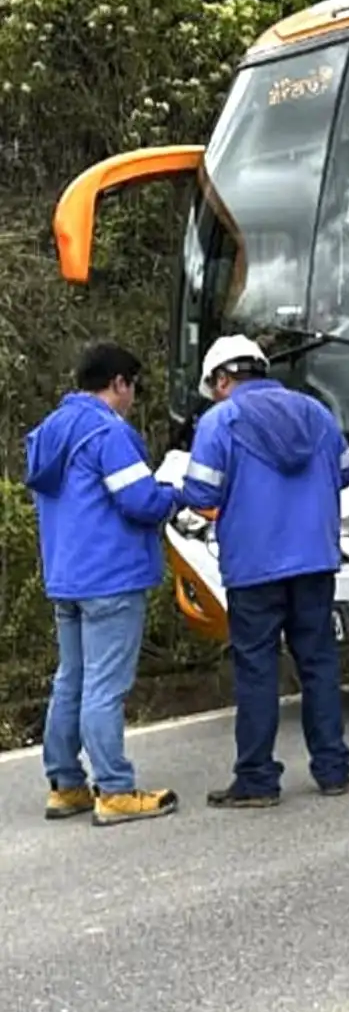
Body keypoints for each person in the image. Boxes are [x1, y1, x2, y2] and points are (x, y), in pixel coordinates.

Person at [177, 334, 349, 807]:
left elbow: (200, 495)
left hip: (254, 567)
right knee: (318, 663)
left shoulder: (221, 421)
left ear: (222, 380)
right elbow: (346, 472)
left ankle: (258, 779)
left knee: (257, 670)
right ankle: (333, 769)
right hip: (316, 559)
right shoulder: (316, 412)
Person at [24, 341, 181, 826]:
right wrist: (173, 496)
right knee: (105, 687)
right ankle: (114, 789)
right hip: (111, 577)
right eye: (133, 387)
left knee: (70, 680)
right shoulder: (107, 432)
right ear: (119, 383)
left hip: (66, 576)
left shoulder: (49, 431)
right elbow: (139, 501)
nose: (133, 397)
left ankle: (66, 785)